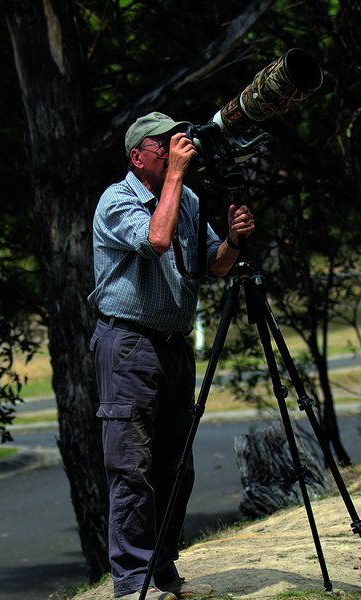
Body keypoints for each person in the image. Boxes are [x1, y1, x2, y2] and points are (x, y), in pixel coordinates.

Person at [87, 112, 255, 600]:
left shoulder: (187, 201)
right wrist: (178, 175)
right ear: (138, 156)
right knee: (132, 467)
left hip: (174, 345)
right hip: (130, 345)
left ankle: (163, 571)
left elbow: (213, 266)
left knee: (176, 467)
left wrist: (232, 240)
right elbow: (156, 240)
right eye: (163, 145)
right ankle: (132, 584)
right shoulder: (117, 200)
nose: (175, 148)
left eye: (176, 141)